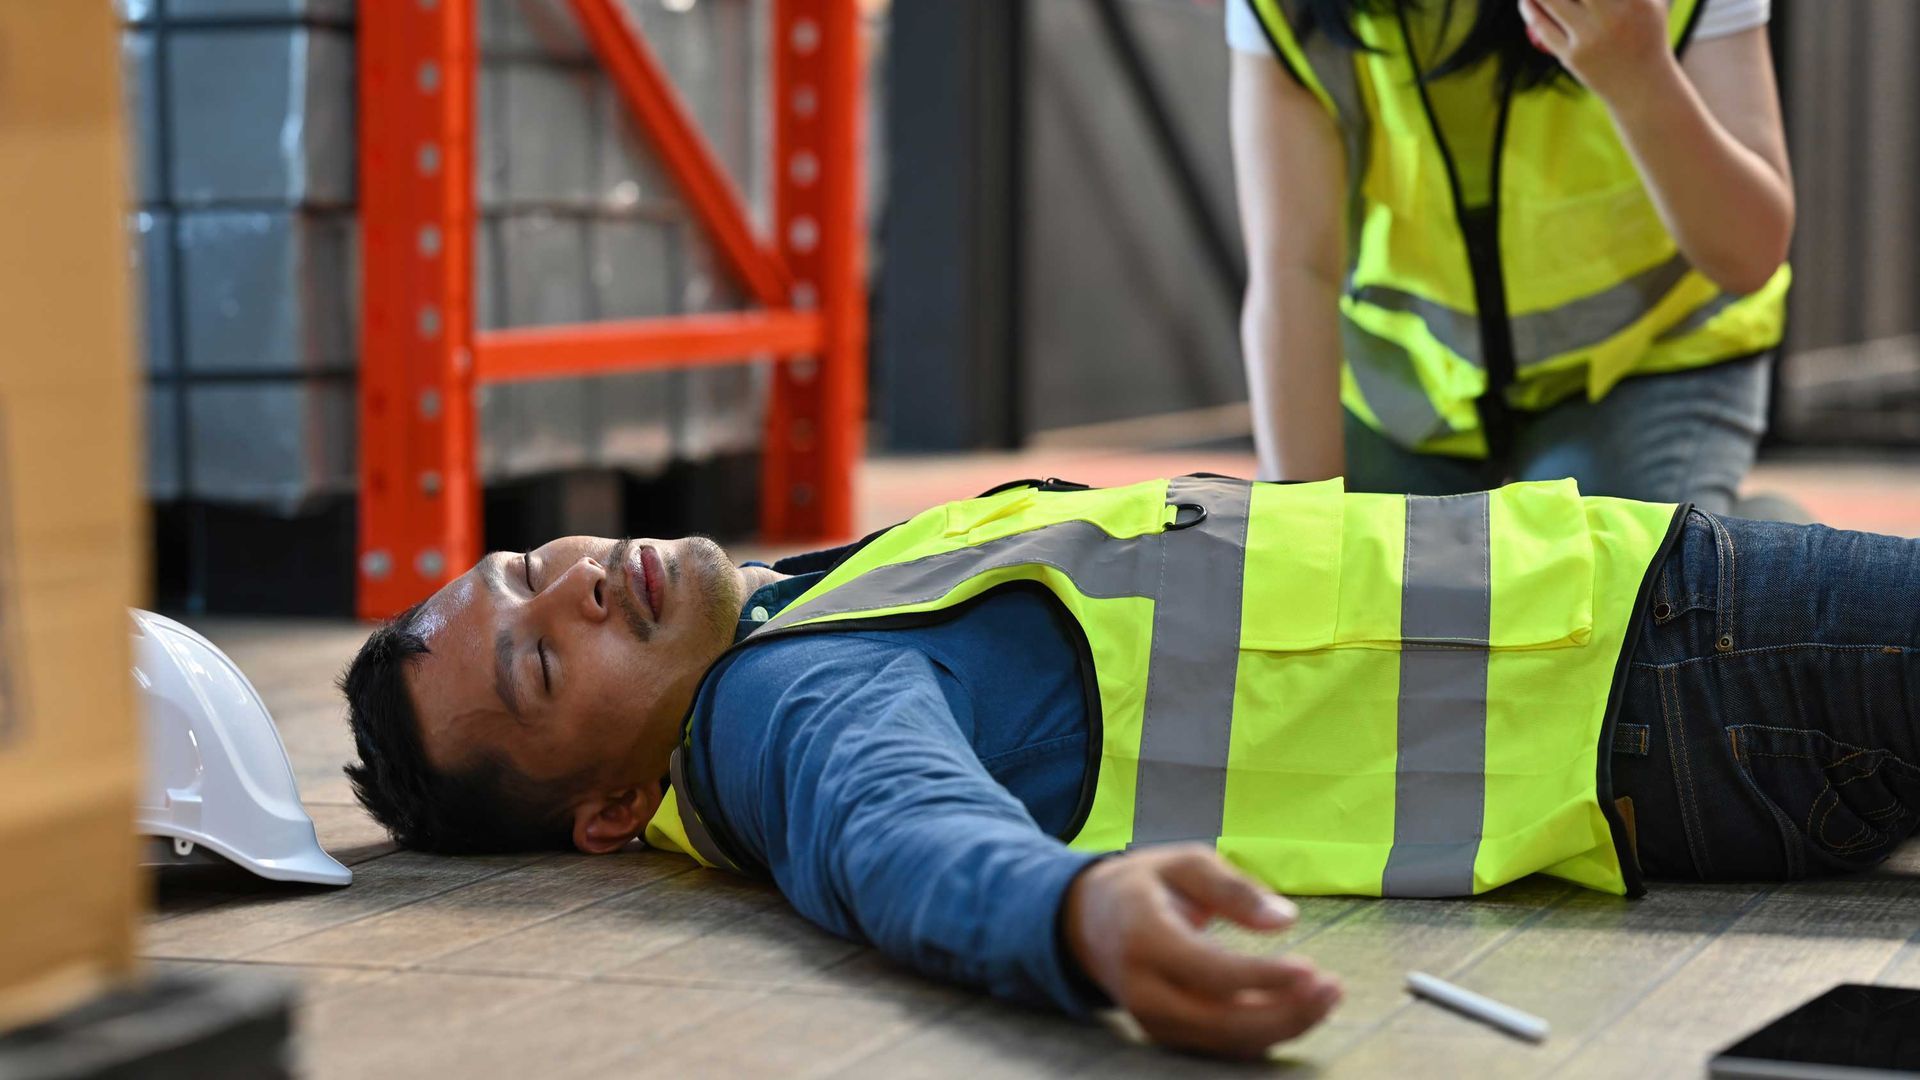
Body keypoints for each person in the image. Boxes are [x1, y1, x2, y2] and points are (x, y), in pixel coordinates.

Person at [340, 475, 1920, 1060]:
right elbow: (898, 835)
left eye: (515, 570)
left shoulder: (800, 602)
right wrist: (1079, 919)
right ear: (611, 812)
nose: (568, 586)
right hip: (1673, 680)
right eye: (544, 665)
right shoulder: (780, 705)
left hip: (1640, 630)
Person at [1229, 0, 1793, 509]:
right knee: (1369, 612)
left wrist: (1639, 73)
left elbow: (1749, 254)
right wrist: (1300, 531)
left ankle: (1758, 559)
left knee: (1608, 606)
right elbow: (1294, 270)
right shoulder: (1278, 12)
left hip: (1647, 362)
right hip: (1405, 383)